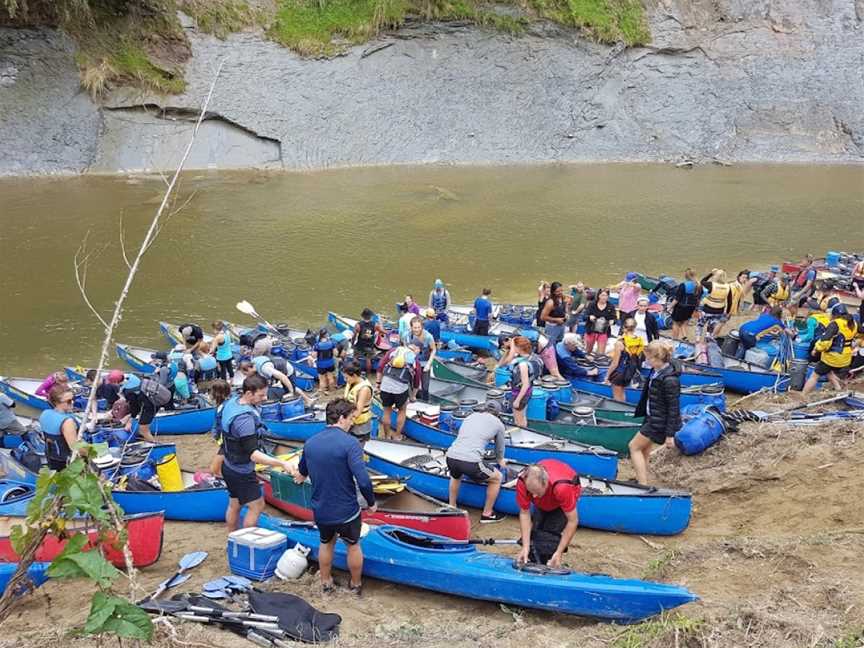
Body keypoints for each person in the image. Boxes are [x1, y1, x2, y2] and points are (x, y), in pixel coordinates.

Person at [292, 398, 377, 595]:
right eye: (351, 418)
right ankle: (355, 584)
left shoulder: (311, 443)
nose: (353, 422)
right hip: (346, 510)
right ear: (341, 418)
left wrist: (297, 476)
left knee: (325, 543)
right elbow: (363, 480)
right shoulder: (351, 443)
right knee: (353, 545)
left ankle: (325, 582)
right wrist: (371, 503)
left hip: (321, 509)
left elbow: (302, 472)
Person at [222, 375, 294, 530]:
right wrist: (281, 462)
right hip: (241, 471)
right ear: (249, 394)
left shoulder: (232, 402)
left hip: (228, 466)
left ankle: (232, 536)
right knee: (257, 506)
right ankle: (247, 541)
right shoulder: (244, 420)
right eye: (261, 395)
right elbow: (253, 455)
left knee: (235, 504)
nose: (265, 398)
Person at [445, 402, 506, 524]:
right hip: (470, 462)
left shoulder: (470, 416)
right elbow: (499, 449)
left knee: (455, 476)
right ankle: (487, 514)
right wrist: (500, 460)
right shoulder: (499, 424)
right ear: (498, 413)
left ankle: (452, 507)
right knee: (497, 478)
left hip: (451, 456)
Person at [629, 341, 681, 485]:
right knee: (644, 450)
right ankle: (643, 480)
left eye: (648, 358)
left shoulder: (670, 379)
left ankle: (642, 485)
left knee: (633, 447)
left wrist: (670, 435)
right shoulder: (656, 371)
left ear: (657, 358)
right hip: (651, 416)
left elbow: (673, 408)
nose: (646, 361)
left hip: (658, 421)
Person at [515, 460, 580, 568]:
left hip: (562, 494)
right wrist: (525, 547)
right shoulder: (522, 482)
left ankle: (551, 560)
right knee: (535, 533)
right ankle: (533, 559)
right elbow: (524, 513)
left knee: (550, 535)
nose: (534, 497)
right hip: (546, 495)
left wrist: (559, 552)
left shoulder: (562, 488)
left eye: (537, 492)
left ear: (545, 483)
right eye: (531, 492)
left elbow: (573, 521)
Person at [803, 303, 858, 394]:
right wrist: (856, 345)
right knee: (828, 372)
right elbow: (861, 334)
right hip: (846, 358)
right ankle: (839, 388)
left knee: (814, 376)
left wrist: (815, 350)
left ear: (835, 314)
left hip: (832, 357)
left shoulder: (835, 324)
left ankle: (803, 395)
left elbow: (824, 343)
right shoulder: (854, 323)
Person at [241, 342, 315, 407]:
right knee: (288, 387)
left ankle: (308, 400)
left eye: (245, 374)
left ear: (249, 368)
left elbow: (283, 377)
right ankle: (306, 399)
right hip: (277, 367)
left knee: (292, 387)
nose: (246, 376)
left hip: (286, 370)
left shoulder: (265, 368)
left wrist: (290, 392)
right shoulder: (253, 362)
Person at [376, 345, 418, 440]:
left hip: (385, 386)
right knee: (402, 411)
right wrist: (413, 396)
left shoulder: (393, 351)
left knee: (386, 411)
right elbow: (416, 380)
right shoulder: (414, 358)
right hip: (400, 389)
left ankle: (386, 436)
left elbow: (380, 366)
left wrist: (378, 383)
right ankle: (397, 436)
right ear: (415, 350)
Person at [39, 385, 81, 471]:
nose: (72, 403)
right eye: (69, 401)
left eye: (73, 399)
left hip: (51, 458)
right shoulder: (67, 421)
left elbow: (44, 437)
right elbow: (75, 448)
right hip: (67, 462)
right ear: (57, 402)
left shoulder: (45, 413)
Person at [119, 374, 170, 443]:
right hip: (153, 399)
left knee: (143, 430)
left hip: (150, 405)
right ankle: (149, 442)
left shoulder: (128, 391)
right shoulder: (131, 377)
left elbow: (135, 406)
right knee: (144, 426)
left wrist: (130, 420)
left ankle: (153, 445)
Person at [605, 318, 646, 402]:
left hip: (619, 372)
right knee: (622, 392)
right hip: (630, 371)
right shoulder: (640, 340)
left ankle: (619, 412)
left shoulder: (620, 343)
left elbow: (615, 363)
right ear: (635, 328)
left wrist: (607, 375)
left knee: (617, 397)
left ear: (624, 327)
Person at [508, 336, 543, 427]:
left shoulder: (523, 364)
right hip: (528, 392)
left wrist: (517, 400)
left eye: (513, 347)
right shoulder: (533, 358)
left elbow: (525, 384)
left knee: (519, 420)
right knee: (522, 416)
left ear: (519, 348)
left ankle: (522, 434)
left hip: (520, 394)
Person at [404, 316, 437, 401]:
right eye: (415, 327)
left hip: (424, 363)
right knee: (409, 385)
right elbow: (404, 347)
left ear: (422, 327)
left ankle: (425, 402)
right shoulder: (407, 335)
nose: (417, 330)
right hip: (411, 363)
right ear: (411, 327)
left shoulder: (428, 336)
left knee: (425, 387)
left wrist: (429, 364)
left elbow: (433, 349)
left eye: (419, 327)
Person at [342, 360, 375, 440]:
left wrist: (346, 424)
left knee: (357, 446)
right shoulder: (352, 382)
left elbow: (358, 411)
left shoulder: (364, 389)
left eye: (346, 377)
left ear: (354, 375)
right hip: (349, 419)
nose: (345, 380)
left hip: (359, 425)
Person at [207, 379, 233, 477]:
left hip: (228, 443)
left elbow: (222, 426)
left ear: (216, 394)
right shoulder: (224, 405)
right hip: (226, 443)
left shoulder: (225, 408)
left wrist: (217, 435)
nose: (209, 395)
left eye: (210, 393)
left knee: (215, 470)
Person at [698, 269, 732, 339]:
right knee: (711, 326)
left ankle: (698, 339)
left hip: (708, 308)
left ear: (715, 276)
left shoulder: (711, 284)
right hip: (719, 310)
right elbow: (730, 301)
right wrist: (727, 312)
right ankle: (707, 338)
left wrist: (711, 273)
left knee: (700, 325)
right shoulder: (728, 287)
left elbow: (702, 281)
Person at [668, 269, 700, 341]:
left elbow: (677, 299)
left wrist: (670, 307)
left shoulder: (683, 285)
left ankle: (675, 339)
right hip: (691, 307)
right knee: (684, 323)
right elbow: (699, 299)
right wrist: (696, 309)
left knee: (676, 323)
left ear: (686, 276)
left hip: (681, 307)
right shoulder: (698, 285)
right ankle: (685, 337)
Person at [352, 308, 385, 375]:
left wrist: (352, 344)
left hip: (360, 345)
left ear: (362, 316)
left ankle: (355, 372)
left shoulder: (358, 325)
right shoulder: (375, 325)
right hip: (369, 346)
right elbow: (382, 332)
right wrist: (381, 323)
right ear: (370, 316)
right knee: (368, 359)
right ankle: (368, 374)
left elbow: (354, 336)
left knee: (355, 357)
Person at [583, 289, 616, 355]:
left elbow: (614, 318)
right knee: (588, 351)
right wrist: (589, 317)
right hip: (591, 330)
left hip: (603, 331)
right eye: (602, 295)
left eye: (606, 295)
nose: (604, 297)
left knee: (601, 353)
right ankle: (586, 361)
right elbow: (584, 317)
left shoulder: (611, 306)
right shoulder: (592, 304)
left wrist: (612, 321)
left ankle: (599, 362)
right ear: (598, 296)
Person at [539, 282, 569, 346]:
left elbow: (565, 308)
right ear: (553, 292)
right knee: (551, 345)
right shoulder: (550, 302)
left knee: (560, 342)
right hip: (552, 327)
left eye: (561, 290)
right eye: (557, 291)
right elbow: (542, 317)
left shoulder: (563, 297)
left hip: (562, 325)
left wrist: (566, 313)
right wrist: (556, 320)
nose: (560, 292)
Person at [311, 328, 338, 396]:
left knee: (322, 379)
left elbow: (314, 356)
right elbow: (336, 354)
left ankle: (323, 392)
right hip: (330, 363)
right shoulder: (332, 343)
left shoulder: (317, 345)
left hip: (321, 364)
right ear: (327, 335)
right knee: (330, 377)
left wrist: (312, 353)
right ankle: (332, 390)